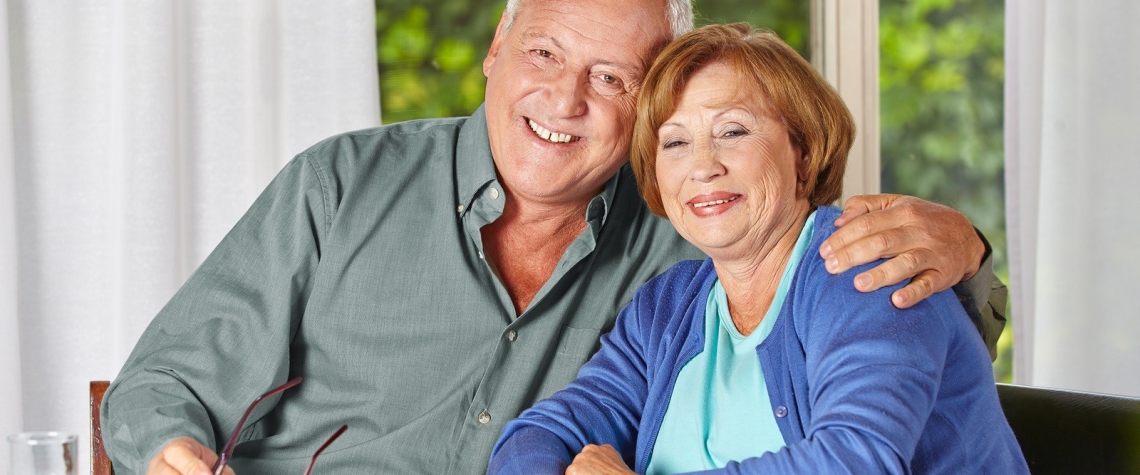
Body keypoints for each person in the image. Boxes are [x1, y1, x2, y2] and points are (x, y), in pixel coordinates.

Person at [102, 1, 1006, 474]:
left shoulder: (683, 239)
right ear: (497, 45)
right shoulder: (340, 186)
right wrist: (164, 452)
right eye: (544, 53)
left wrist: (968, 247)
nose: (566, 101)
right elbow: (164, 383)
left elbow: (890, 367)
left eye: (611, 76)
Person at [487, 24, 1027, 474]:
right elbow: (543, 433)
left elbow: (858, 461)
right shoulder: (668, 306)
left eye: (734, 131)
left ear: (804, 152)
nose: (703, 165)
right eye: (674, 142)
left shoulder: (862, 267)